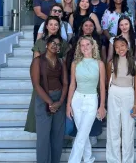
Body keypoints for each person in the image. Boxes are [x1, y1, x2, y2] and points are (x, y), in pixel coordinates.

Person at [25, 16, 70, 134]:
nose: (53, 26)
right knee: (41, 108)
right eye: (51, 24)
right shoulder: (40, 42)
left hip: (56, 81)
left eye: (56, 24)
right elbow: (35, 61)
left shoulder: (63, 43)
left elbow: (64, 63)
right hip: (41, 81)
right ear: (46, 26)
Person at [66, 36, 106, 163]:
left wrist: (102, 105)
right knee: (83, 134)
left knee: (82, 134)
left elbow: (102, 87)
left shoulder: (99, 64)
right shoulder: (75, 63)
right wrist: (68, 105)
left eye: (87, 44)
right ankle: (88, 159)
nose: (85, 47)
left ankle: (73, 161)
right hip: (77, 99)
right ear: (79, 47)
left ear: (93, 45)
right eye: (82, 45)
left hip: (91, 99)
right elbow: (72, 84)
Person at [30, 34, 68, 163]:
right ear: (47, 44)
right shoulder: (38, 61)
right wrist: (51, 103)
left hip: (59, 99)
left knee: (57, 135)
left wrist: (60, 101)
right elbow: (36, 84)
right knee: (43, 136)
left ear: (59, 48)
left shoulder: (61, 61)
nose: (55, 45)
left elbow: (65, 83)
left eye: (58, 44)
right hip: (43, 99)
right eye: (53, 42)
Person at [106, 36, 136, 163]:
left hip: (128, 94)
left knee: (128, 129)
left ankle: (127, 160)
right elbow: (107, 82)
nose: (120, 48)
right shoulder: (111, 63)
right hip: (114, 93)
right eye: (117, 46)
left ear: (127, 46)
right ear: (114, 49)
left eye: (122, 45)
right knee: (113, 127)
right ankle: (113, 159)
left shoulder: (134, 63)